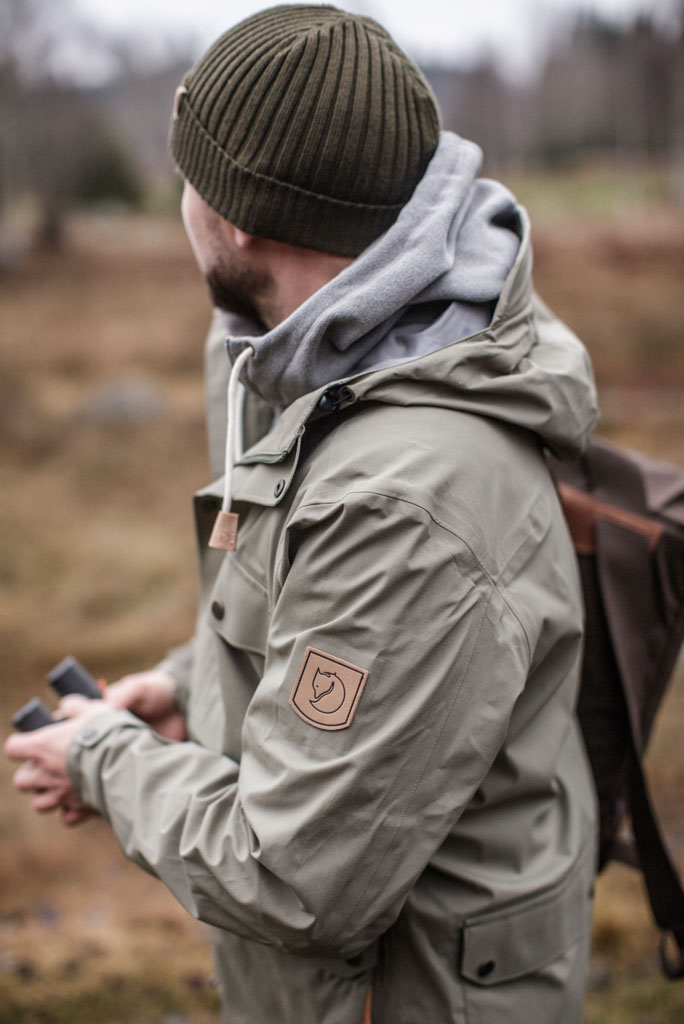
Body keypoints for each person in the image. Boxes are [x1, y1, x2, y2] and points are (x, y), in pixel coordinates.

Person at [5, 5, 599, 1022]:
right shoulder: (319, 342)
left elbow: (292, 875)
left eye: (191, 176)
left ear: (242, 217)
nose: (180, 202)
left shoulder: (403, 504)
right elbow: (340, 622)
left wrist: (102, 760)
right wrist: (194, 689)